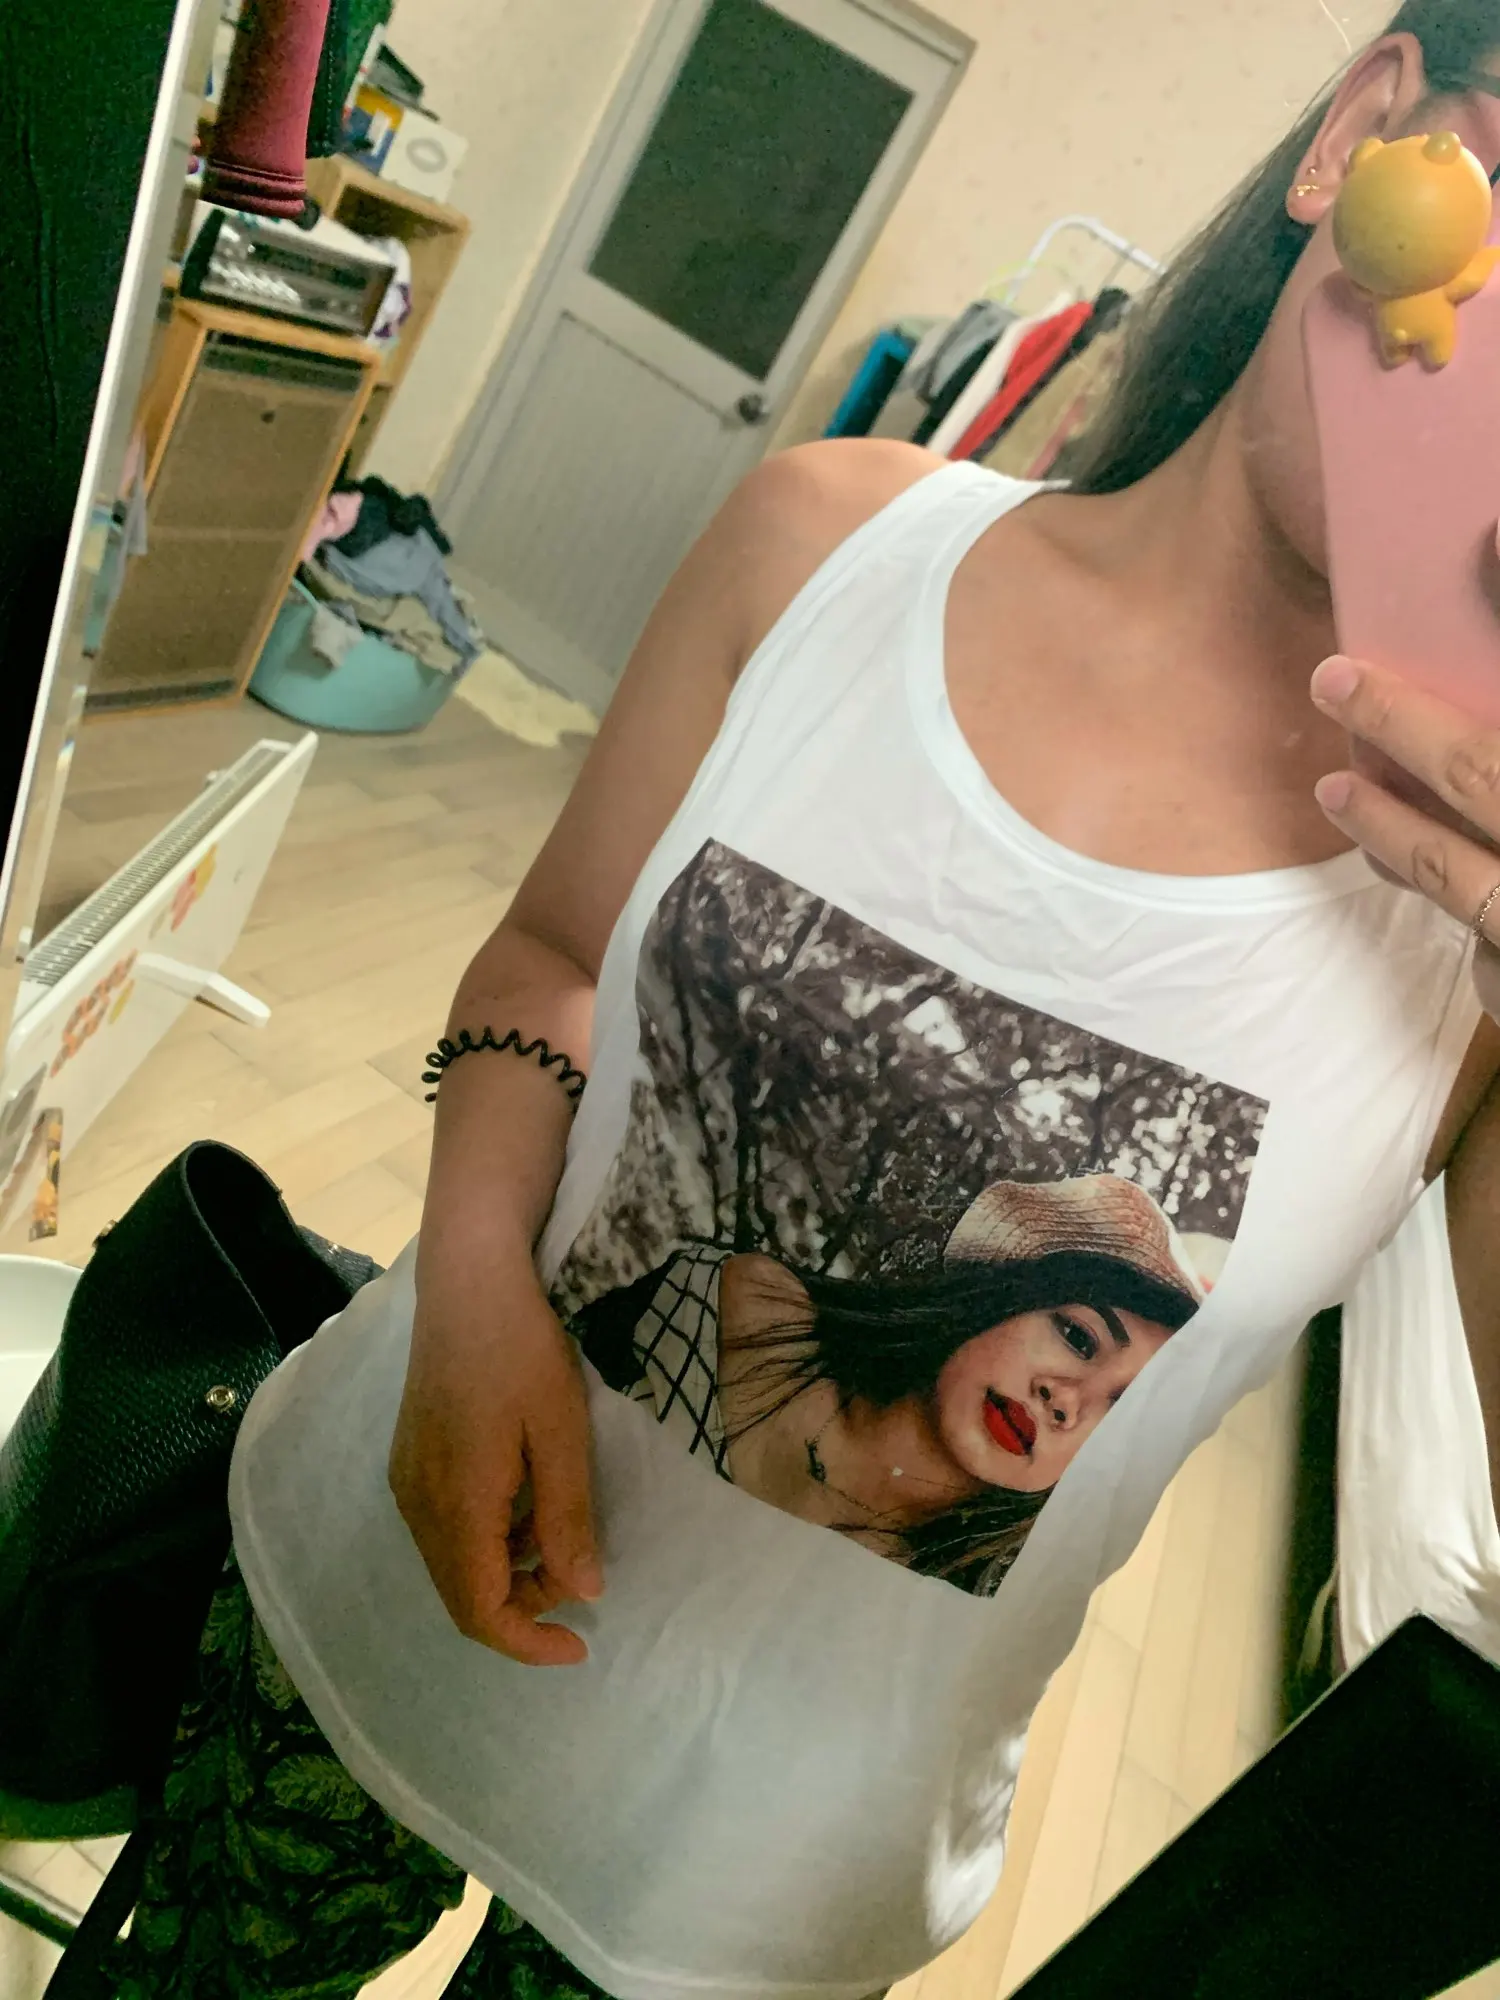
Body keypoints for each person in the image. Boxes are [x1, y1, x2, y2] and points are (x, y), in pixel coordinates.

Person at [118, 5, 1500, 1996]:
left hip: (744, 1897)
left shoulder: (1473, 940)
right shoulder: (829, 544)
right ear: (1370, 133)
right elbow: (548, 958)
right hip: (365, 1601)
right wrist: (477, 1276)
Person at [573, 1174, 1202, 1593]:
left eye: (1122, 1416)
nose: (1066, 1401)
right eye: (1079, 1338)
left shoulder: (939, 1625)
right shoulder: (746, 1307)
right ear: (1007, 1300)